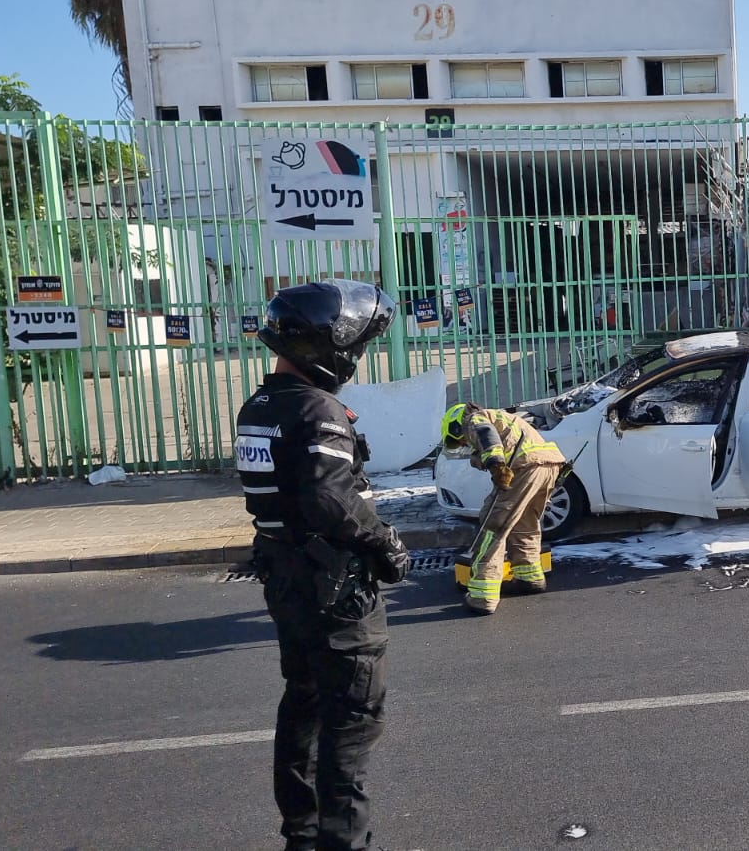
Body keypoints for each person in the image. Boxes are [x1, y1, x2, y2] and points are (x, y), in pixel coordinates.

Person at [237, 279, 411, 851]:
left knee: (303, 703)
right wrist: (386, 543)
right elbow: (332, 501)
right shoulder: (319, 409)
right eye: (353, 348)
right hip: (334, 589)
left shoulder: (260, 406)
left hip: (287, 582)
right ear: (325, 347)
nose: (356, 359)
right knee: (353, 722)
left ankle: (303, 836)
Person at [440, 402, 565, 613]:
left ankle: (483, 595)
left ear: (455, 425)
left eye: (459, 439)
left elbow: (485, 434)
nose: (463, 443)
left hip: (524, 467)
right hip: (549, 466)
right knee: (524, 523)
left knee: (493, 525)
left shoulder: (473, 418)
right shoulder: (503, 418)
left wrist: (496, 464)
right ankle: (530, 578)